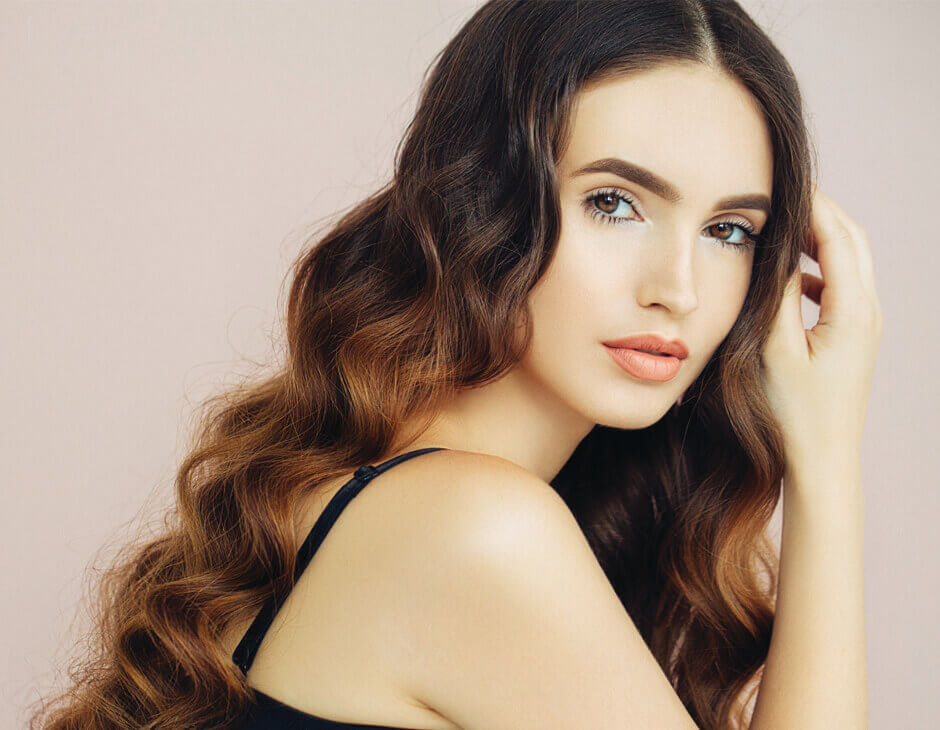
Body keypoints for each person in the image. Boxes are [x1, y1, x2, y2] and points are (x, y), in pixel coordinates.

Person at [29, 1, 881, 729]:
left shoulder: (360, 492)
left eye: (729, 229)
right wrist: (825, 449)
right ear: (485, 198)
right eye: (614, 203)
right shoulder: (475, 529)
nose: (678, 289)